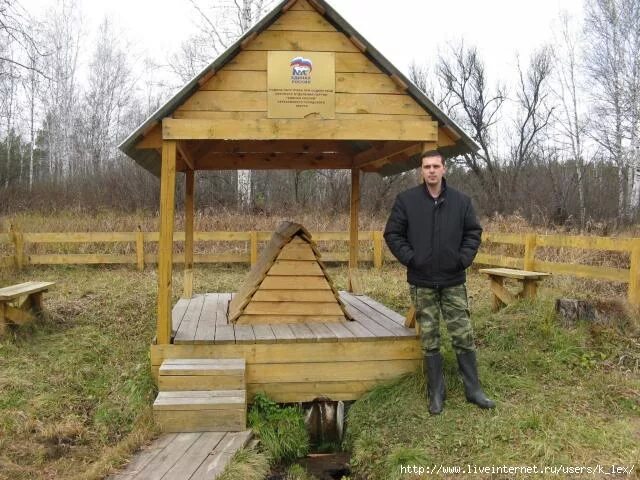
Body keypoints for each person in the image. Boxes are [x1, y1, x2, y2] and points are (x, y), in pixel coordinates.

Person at [383, 149, 495, 415]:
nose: (431, 171)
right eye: (426, 167)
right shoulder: (406, 201)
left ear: (445, 169)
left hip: (453, 280)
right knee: (430, 338)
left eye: (436, 166)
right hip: (422, 282)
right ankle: (436, 392)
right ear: (421, 171)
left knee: (462, 335)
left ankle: (474, 390)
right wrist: (412, 258)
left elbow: (473, 232)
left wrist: (463, 259)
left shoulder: (461, 201)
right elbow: (393, 233)